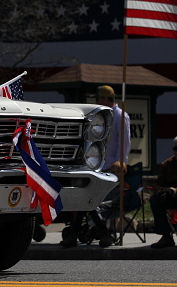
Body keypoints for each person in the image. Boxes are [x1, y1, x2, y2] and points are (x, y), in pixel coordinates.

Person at [60, 85, 131, 248]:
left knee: (87, 197)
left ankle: (78, 235)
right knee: (85, 196)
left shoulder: (120, 116)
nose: (98, 101)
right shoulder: (100, 115)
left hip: (111, 164)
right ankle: (97, 233)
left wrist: (122, 160)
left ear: (106, 99)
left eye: (99, 98)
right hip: (95, 163)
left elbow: (124, 140)